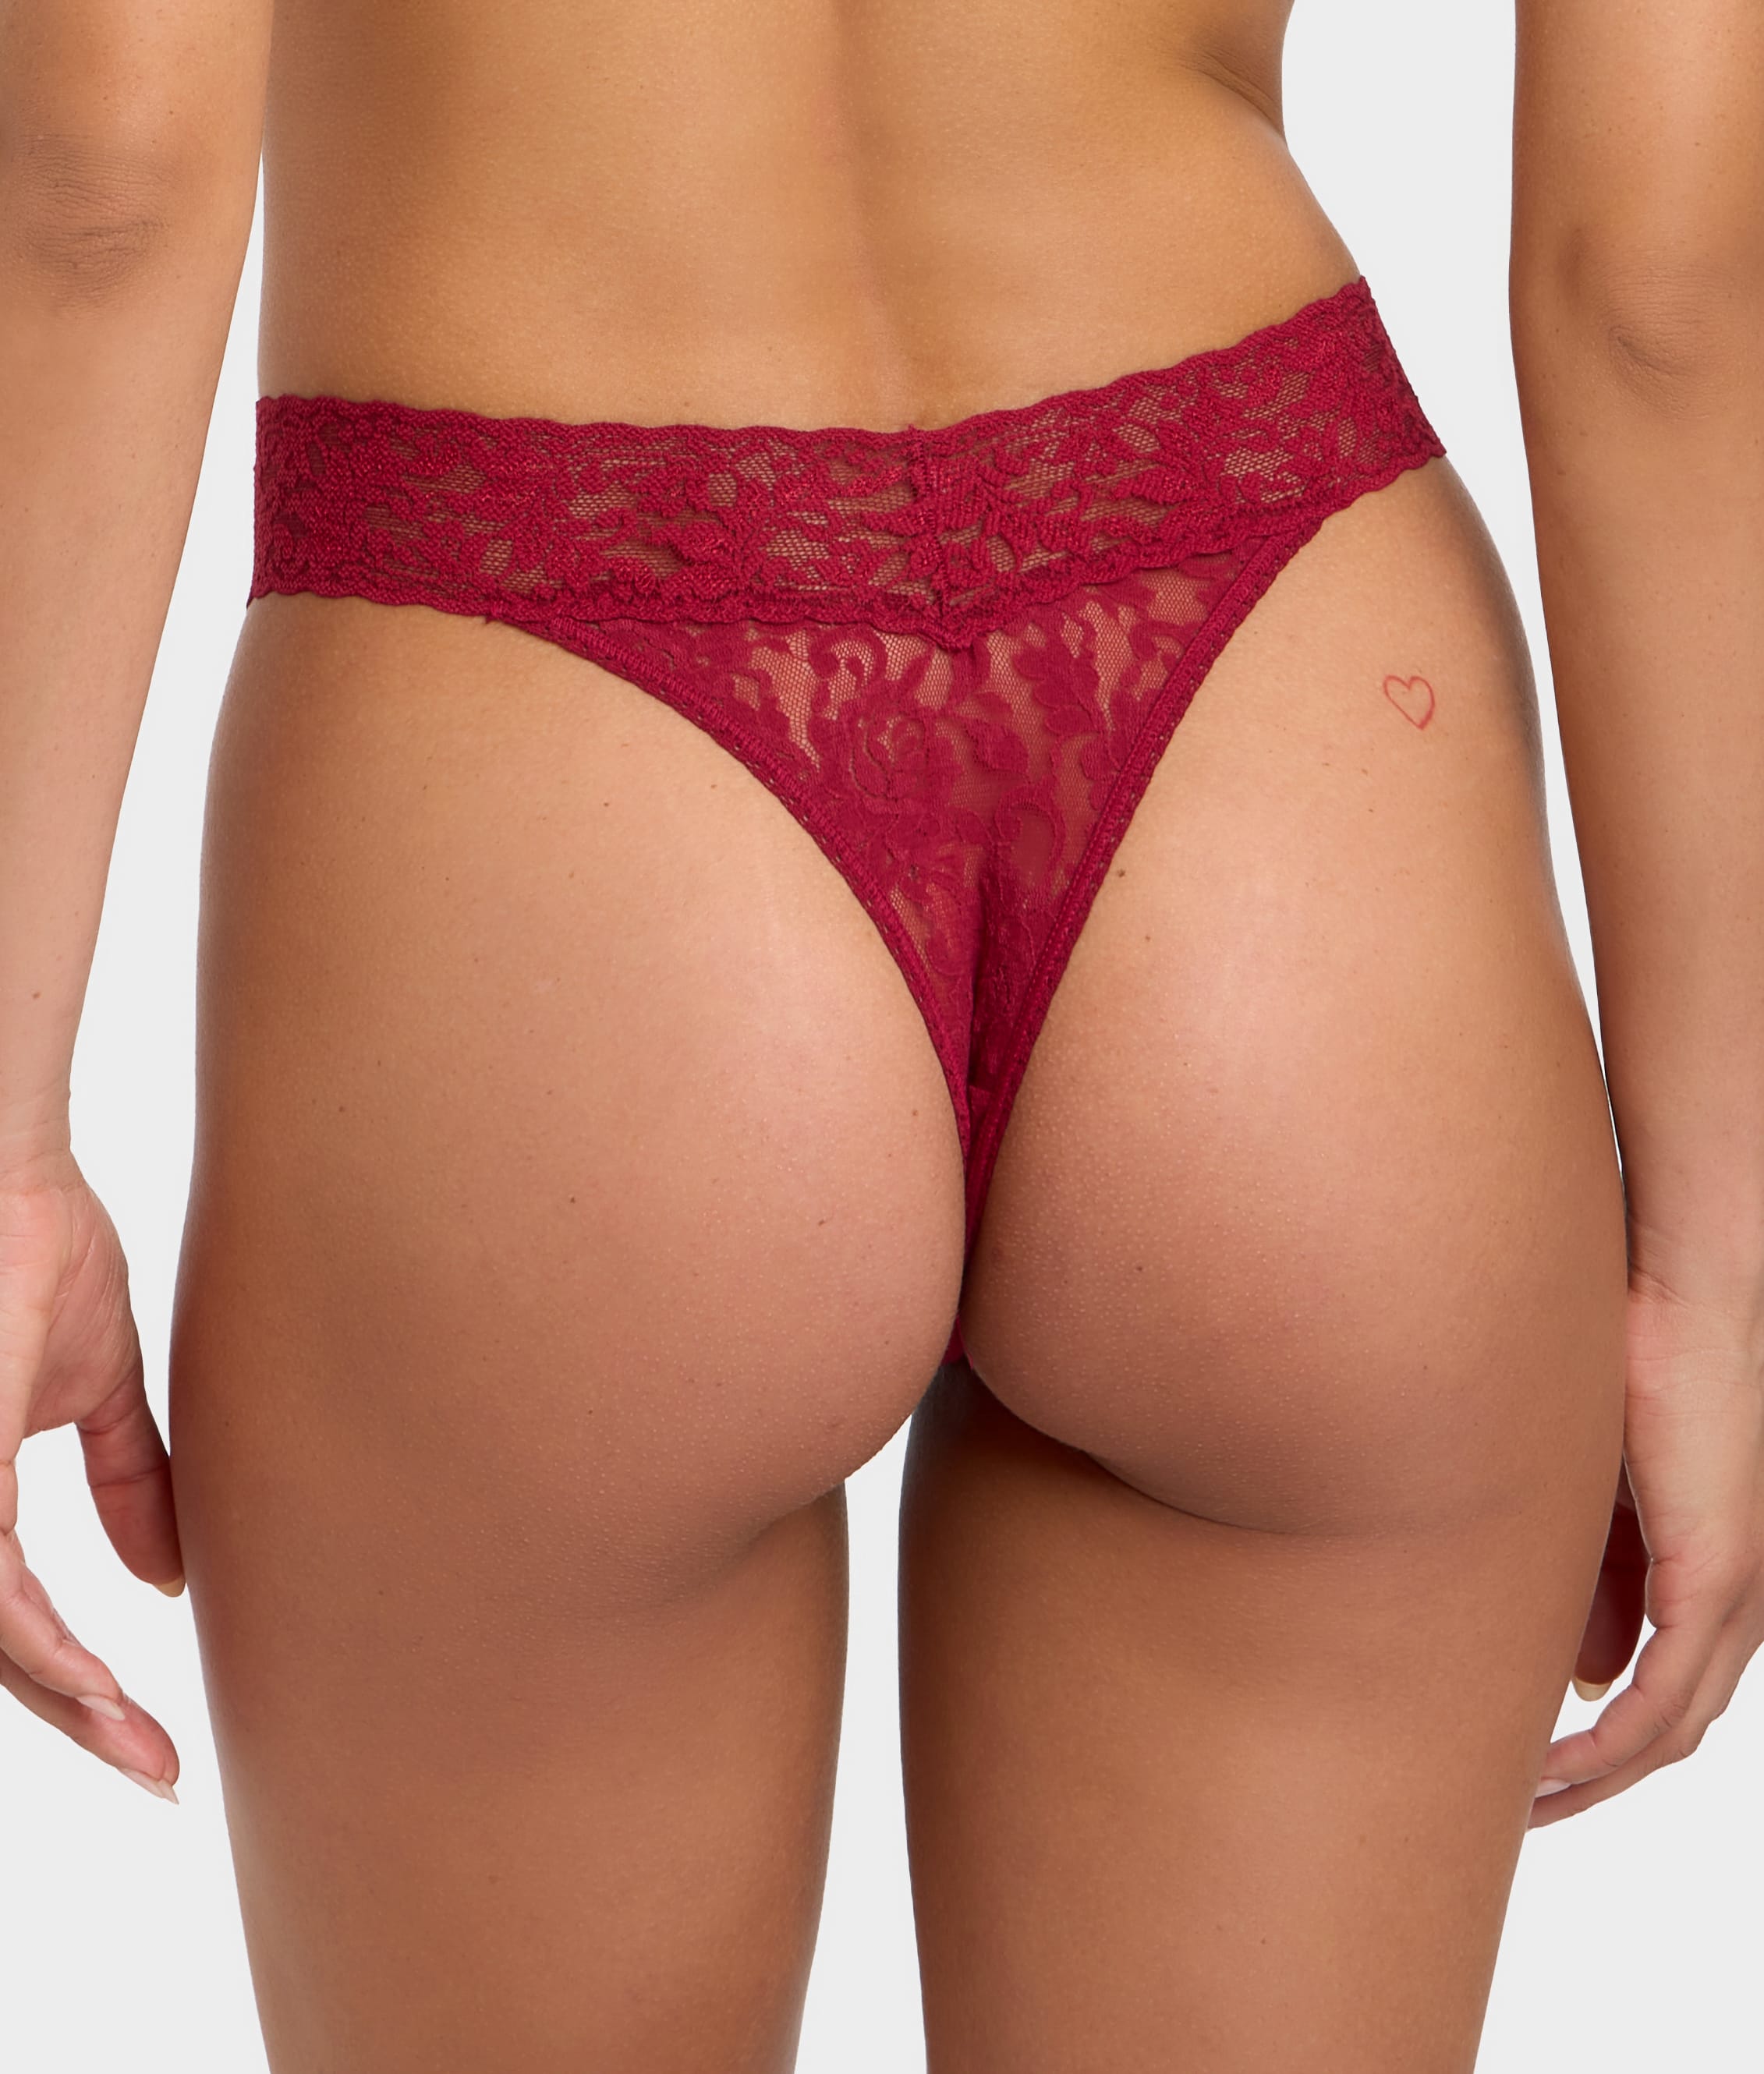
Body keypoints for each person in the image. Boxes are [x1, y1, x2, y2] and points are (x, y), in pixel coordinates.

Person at [3, 0, 1761, 2065]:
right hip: (1286, 711)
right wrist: (1714, 1237)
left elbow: (103, 169)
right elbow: (1666, 282)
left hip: (539, 742)